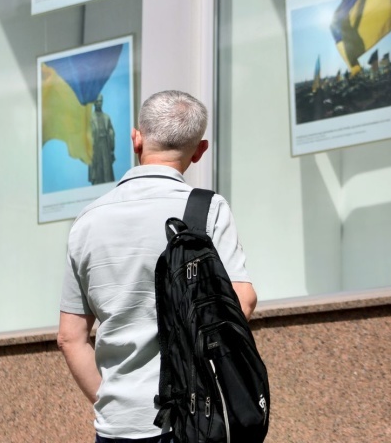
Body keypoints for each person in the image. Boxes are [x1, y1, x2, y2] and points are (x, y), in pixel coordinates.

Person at [58, 90, 256, 443]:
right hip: (191, 419)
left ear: (136, 139)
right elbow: (243, 301)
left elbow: (70, 337)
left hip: (115, 427)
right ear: (200, 151)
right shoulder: (207, 210)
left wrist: (112, 403)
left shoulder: (86, 220)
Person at [88, 94, 116, 185]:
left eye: (100, 101)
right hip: (95, 147)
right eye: (97, 101)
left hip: (105, 146)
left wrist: (111, 148)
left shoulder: (106, 117)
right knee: (97, 171)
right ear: (94, 103)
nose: (99, 103)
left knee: (107, 171)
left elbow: (111, 132)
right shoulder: (90, 118)